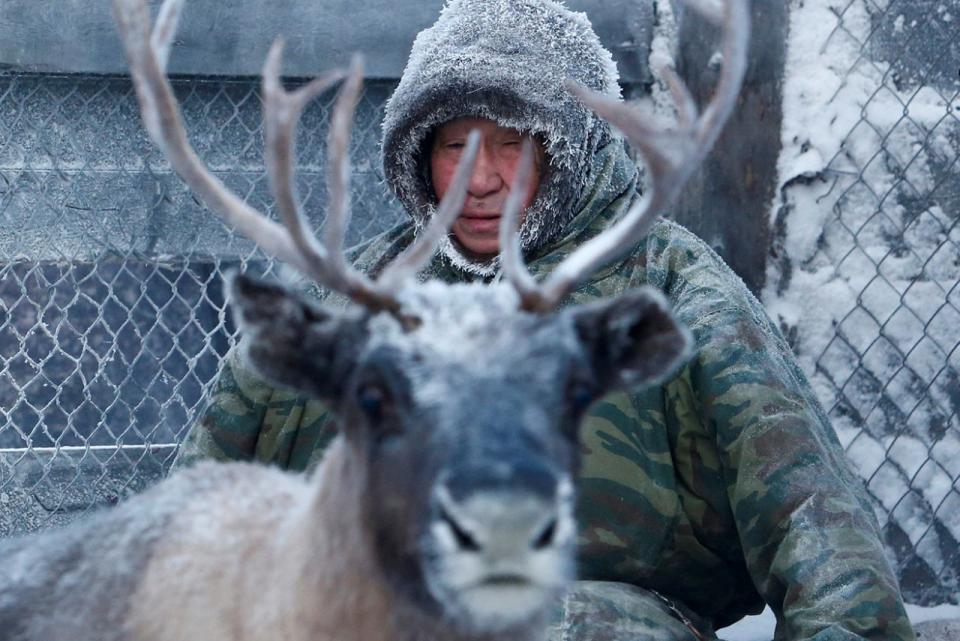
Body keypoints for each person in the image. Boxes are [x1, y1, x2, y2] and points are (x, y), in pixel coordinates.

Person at [174, 1, 915, 640]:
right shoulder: (354, 294)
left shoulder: (672, 288)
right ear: (419, 153)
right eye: (455, 145)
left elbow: (817, 526)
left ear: (569, 149)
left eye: (512, 143)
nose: (481, 177)